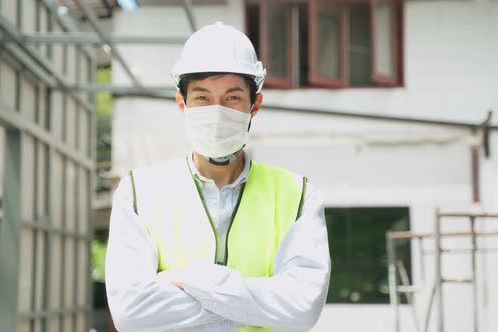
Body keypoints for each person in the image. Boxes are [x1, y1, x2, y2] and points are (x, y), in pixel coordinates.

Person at [105, 22, 331, 332]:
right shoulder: (137, 192)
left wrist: (186, 279)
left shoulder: (298, 194)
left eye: (232, 98)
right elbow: (131, 314)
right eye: (202, 98)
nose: (217, 111)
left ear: (254, 106)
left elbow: (301, 310)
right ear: (181, 103)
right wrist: (257, 304)